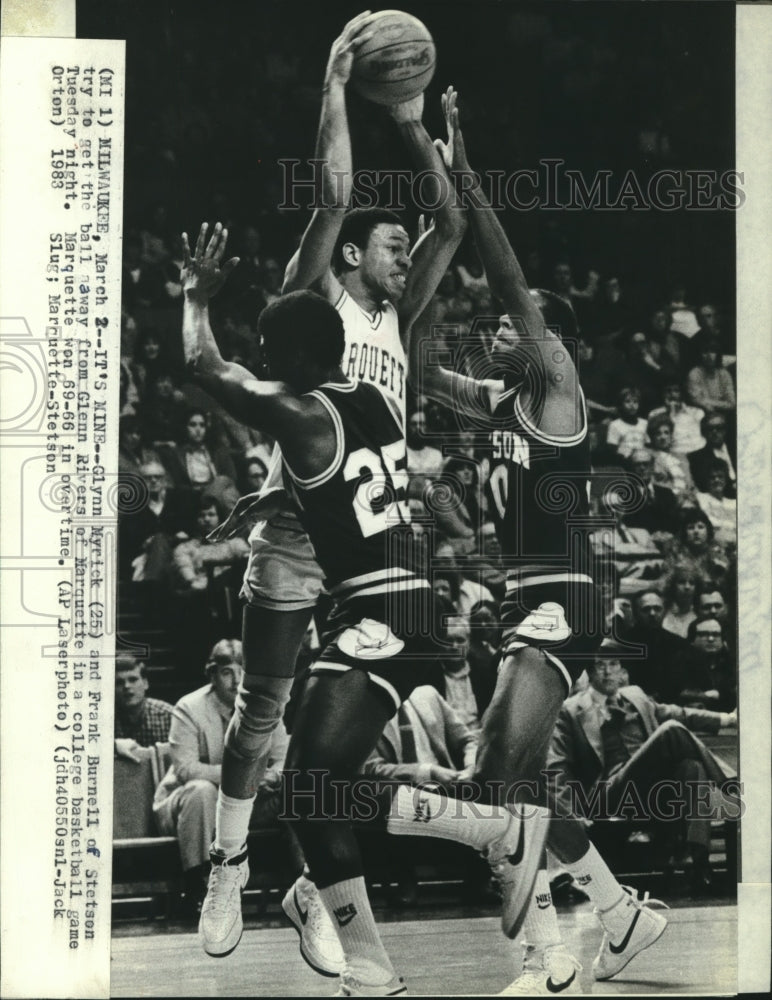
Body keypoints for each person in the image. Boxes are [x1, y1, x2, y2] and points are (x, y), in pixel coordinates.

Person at [180, 231, 546, 994]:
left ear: (285, 359)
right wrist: (278, 495)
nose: (263, 357)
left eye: (268, 349)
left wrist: (194, 297)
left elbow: (202, 365)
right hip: (415, 603)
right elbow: (343, 487)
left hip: (376, 612)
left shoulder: (294, 409)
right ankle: (371, 965)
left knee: (310, 789)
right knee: (321, 791)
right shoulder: (372, 401)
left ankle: (494, 833)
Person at [197, 14, 469, 974]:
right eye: (389, 245)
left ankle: (313, 884)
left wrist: (410, 120)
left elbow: (455, 221)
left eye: (404, 245)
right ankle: (228, 863)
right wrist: (335, 88)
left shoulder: (400, 316)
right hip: (297, 528)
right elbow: (332, 197)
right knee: (258, 718)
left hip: (373, 545)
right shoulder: (313, 295)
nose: (406, 254)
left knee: (333, 760)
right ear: (351, 257)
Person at [394, 89, 666, 993]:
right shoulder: (498, 404)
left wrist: (469, 182)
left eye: (519, 326)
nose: (503, 326)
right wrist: (436, 238)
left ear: (555, 346)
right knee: (506, 779)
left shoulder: (556, 394)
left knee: (501, 769)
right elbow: (422, 363)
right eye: (508, 327)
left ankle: (545, 957)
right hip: (529, 602)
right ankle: (619, 910)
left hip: (568, 592)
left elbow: (511, 283)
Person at [547, 641, 738, 895]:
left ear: (621, 670)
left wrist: (727, 718)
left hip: (654, 792)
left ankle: (699, 863)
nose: (606, 672)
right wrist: (569, 816)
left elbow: (677, 712)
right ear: (589, 672)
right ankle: (730, 784)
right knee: (671, 731)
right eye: (599, 666)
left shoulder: (636, 695)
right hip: (610, 794)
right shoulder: (570, 710)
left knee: (691, 767)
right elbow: (558, 767)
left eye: (613, 665)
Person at [153, 640, 246, 914]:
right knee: (202, 790)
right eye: (228, 672)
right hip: (183, 804)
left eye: (244, 671)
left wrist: (268, 778)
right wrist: (243, 777)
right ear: (212, 675)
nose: (237, 680)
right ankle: (197, 883)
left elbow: (282, 759)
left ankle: (307, 881)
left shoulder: (261, 703)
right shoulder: (189, 707)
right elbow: (186, 769)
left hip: (240, 802)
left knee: (296, 788)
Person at [114, 655, 173, 760]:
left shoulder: (168, 715)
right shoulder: (101, 718)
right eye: (119, 682)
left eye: (133, 680)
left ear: (145, 683)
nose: (126, 686)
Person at [687, 412, 736, 497]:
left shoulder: (738, 449)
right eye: (709, 429)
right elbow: (704, 487)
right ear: (703, 433)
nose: (714, 432)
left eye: (719, 428)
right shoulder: (696, 458)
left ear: (725, 430)